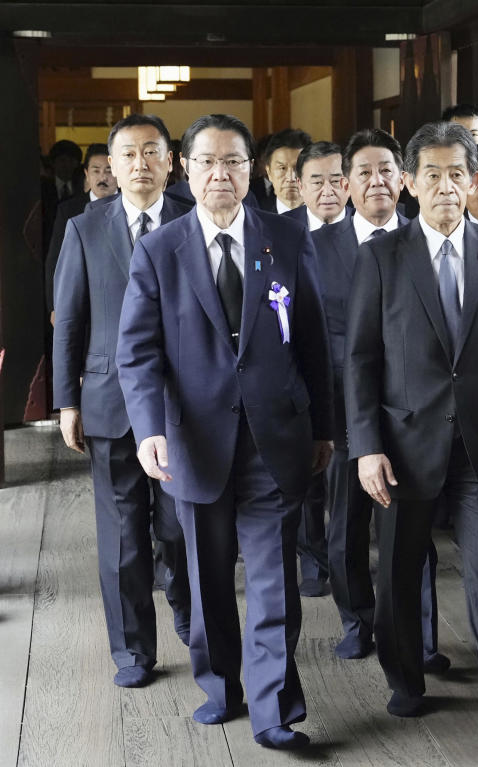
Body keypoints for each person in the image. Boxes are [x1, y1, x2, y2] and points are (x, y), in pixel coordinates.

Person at [116, 113, 334, 751]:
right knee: (209, 577)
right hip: (195, 439)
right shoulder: (161, 249)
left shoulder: (287, 241)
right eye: (207, 162)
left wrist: (323, 426)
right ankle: (221, 687)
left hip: (276, 438)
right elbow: (137, 351)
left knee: (274, 580)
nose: (220, 175)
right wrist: (149, 428)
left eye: (233, 162)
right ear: (186, 168)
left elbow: (315, 346)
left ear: (254, 171)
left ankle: (275, 710)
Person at [344, 121, 478, 748]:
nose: (447, 186)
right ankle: (405, 678)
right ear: (408, 183)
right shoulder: (382, 256)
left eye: (458, 173)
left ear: (475, 178)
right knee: (400, 575)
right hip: (404, 446)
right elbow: (361, 361)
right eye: (431, 174)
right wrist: (366, 446)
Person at [52, 114, 191, 688]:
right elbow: (69, 321)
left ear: (170, 160)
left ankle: (190, 613)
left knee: (182, 527)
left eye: (151, 152)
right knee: (122, 535)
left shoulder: (194, 220)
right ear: (110, 164)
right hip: (109, 400)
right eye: (127, 155)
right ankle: (133, 651)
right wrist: (66, 401)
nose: (139, 164)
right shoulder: (85, 229)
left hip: (187, 403)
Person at [312, 127, 444, 665]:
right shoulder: (316, 247)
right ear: (345, 185)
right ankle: (358, 620)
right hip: (346, 409)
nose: (376, 182)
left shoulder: (428, 237)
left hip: (418, 413)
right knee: (346, 526)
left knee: (416, 536)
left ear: (404, 179)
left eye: (387, 170)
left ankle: (424, 637)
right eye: (363, 172)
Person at [46, 142, 118, 323]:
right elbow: (55, 261)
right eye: (96, 170)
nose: (103, 177)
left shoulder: (131, 205)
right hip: (81, 299)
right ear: (86, 173)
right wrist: (54, 306)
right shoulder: (69, 210)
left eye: (108, 171)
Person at [288, 140, 351, 231]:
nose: (327, 192)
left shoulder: (367, 224)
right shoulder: (280, 227)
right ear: (300, 186)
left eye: (336, 181)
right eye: (317, 182)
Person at [262, 128, 312, 214]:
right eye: (282, 168)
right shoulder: (256, 221)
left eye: (298, 168)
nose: (291, 178)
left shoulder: (331, 218)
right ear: (269, 172)